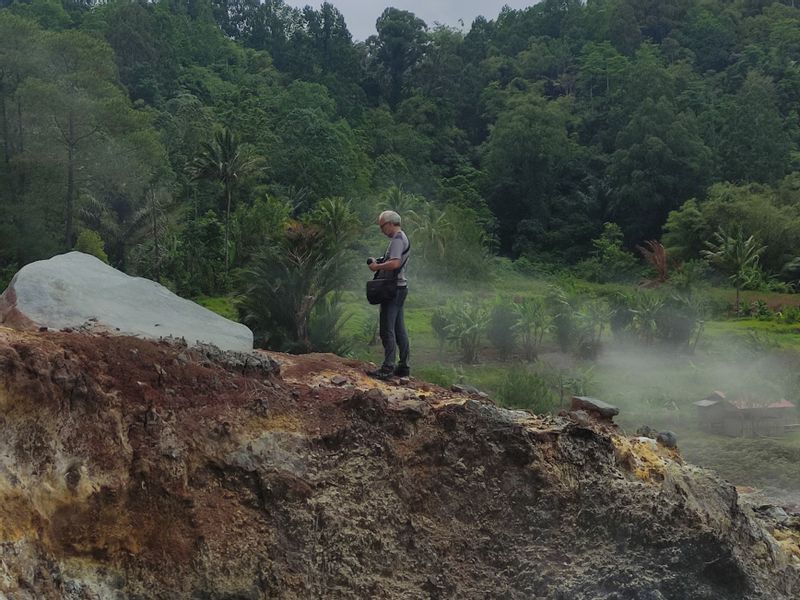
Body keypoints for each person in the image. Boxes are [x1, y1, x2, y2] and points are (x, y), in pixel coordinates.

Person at [366, 210, 410, 380]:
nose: (382, 230)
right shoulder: (402, 237)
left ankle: (387, 368)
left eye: (382, 226)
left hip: (393, 290)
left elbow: (395, 263)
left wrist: (377, 267)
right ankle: (404, 366)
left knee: (387, 329)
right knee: (399, 329)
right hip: (400, 288)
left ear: (390, 223)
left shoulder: (397, 240)